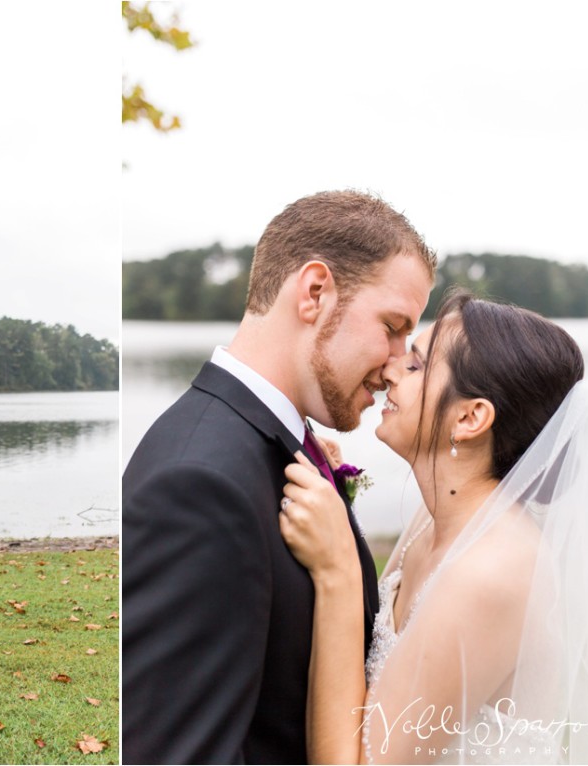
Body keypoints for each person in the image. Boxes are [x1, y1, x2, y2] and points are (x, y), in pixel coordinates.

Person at [122, 190, 437, 764]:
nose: (396, 364)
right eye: (392, 327)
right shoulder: (199, 485)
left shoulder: (273, 443)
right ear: (315, 292)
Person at [279, 290, 588, 764]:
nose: (389, 369)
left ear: (470, 417)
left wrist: (337, 571)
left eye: (416, 366)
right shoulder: (435, 522)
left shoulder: (493, 570)